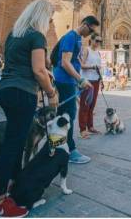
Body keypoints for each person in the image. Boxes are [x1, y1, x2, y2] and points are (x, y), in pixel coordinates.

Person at [0, 0, 58, 217]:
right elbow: (37, 69)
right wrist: (51, 93)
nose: (51, 22)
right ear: (42, 17)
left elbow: (20, 64)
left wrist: (45, 74)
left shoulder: (13, 34)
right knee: (12, 147)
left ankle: (13, 191)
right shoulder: (37, 36)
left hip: (6, 91)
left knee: (14, 144)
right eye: (50, 17)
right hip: (22, 93)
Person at [53, 16, 98, 164]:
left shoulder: (78, 39)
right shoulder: (70, 37)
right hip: (64, 80)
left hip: (69, 81)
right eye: (91, 30)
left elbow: (75, 61)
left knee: (62, 115)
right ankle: (70, 151)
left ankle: (56, 147)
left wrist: (78, 80)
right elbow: (65, 62)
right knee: (69, 115)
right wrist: (81, 79)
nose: (91, 34)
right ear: (85, 25)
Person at [78, 34, 103, 138]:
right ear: (91, 40)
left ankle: (90, 126)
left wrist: (101, 80)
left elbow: (99, 68)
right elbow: (82, 65)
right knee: (84, 105)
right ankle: (83, 130)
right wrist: (93, 66)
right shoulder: (86, 50)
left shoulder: (98, 52)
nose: (98, 43)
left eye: (100, 41)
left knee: (92, 105)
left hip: (96, 80)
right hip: (87, 81)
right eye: (97, 40)